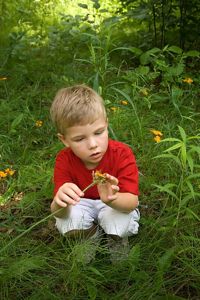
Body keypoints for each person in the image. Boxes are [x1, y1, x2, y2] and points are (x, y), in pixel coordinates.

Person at [50, 84, 140, 262]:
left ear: (106, 124)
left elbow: (131, 202)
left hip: (115, 203)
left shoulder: (122, 154)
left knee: (119, 221)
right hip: (82, 203)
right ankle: (90, 235)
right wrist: (60, 202)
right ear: (64, 140)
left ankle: (116, 238)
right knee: (69, 220)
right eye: (80, 138)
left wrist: (112, 199)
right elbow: (58, 213)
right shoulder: (64, 160)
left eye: (99, 132)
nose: (93, 144)